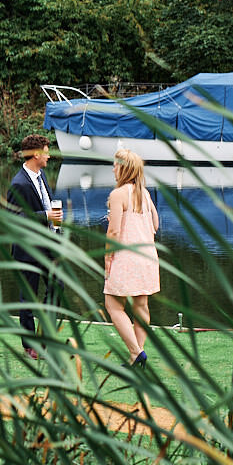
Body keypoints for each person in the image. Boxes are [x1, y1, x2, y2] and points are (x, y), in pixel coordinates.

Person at [5, 134, 63, 360]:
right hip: (28, 249)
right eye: (46, 152)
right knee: (28, 297)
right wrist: (46, 215)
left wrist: (54, 223)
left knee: (57, 287)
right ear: (36, 154)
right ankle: (29, 345)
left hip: (48, 246)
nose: (49, 156)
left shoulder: (41, 176)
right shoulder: (18, 183)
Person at [104, 148, 160, 367]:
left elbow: (114, 232)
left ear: (123, 169)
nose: (113, 170)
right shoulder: (144, 193)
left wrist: (107, 258)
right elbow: (155, 224)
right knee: (141, 305)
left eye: (115, 166)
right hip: (147, 257)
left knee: (113, 305)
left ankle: (136, 352)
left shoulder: (118, 194)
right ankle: (136, 354)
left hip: (126, 257)